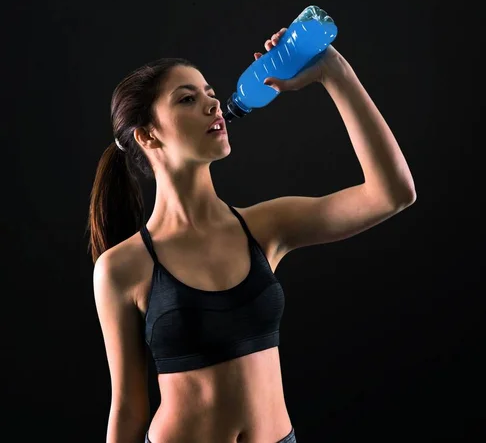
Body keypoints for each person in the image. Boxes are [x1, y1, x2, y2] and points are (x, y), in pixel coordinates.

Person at [88, 27, 416, 443]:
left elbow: (392, 193)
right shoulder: (121, 267)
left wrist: (334, 71)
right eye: (187, 99)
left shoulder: (264, 228)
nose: (211, 103)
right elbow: (129, 410)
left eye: (209, 93)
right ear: (147, 135)